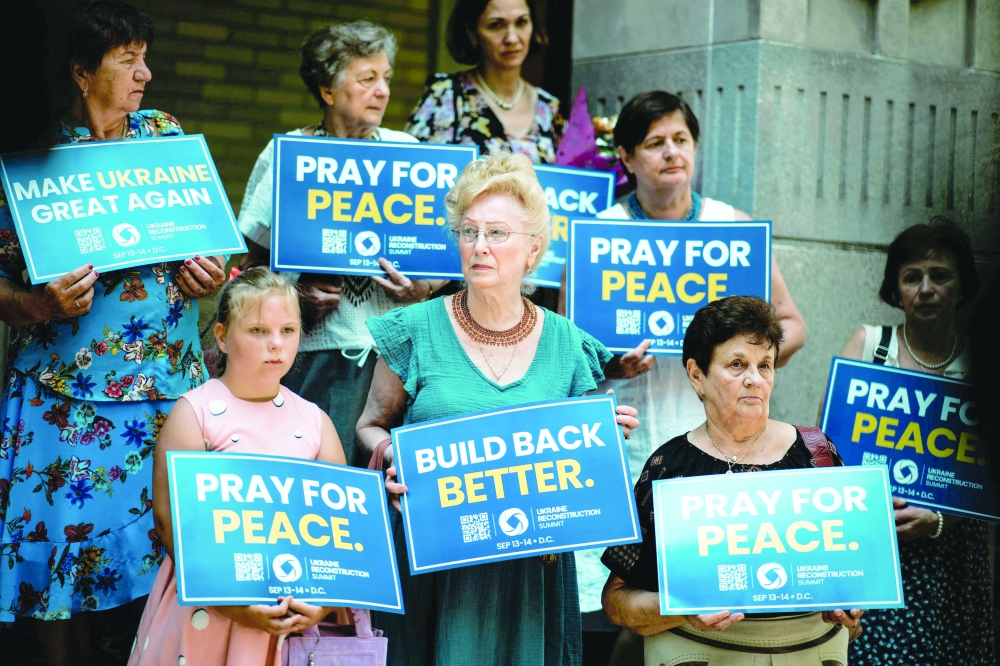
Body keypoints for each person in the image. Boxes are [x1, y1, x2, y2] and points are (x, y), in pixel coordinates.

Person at [0, 3, 225, 664]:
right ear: (79, 72)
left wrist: (210, 271)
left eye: (144, 57)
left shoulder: (164, 135)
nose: (146, 75)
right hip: (66, 395)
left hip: (168, 389)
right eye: (128, 60)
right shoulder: (32, 152)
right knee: (61, 561)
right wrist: (34, 305)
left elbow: (210, 245)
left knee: (172, 552)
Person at [355, 152, 639, 666]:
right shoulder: (413, 329)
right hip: (432, 566)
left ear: (533, 250)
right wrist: (388, 455)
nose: (479, 246)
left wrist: (603, 437)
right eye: (469, 231)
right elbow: (370, 425)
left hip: (529, 573)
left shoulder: (568, 344)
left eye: (497, 233)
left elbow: (580, 473)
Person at [570, 92, 807, 658]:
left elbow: (792, 324)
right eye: (654, 143)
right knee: (619, 607)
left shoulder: (732, 227)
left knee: (710, 596)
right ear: (626, 156)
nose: (671, 153)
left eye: (681, 140)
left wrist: (750, 364)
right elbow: (568, 354)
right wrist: (609, 361)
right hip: (629, 438)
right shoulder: (596, 232)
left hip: (716, 444)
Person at [601, 295, 862, 665]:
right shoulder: (669, 467)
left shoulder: (816, 454)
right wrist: (682, 607)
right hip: (700, 654)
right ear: (697, 374)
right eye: (737, 365)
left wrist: (851, 605)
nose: (755, 379)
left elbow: (854, 576)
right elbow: (617, 600)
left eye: (765, 365)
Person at [237, 21, 447, 467]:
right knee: (321, 480)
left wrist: (421, 290)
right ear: (328, 90)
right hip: (314, 354)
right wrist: (292, 297)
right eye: (367, 78)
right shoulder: (288, 154)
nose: (383, 90)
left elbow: (443, 254)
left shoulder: (407, 150)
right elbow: (249, 261)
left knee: (393, 483)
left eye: (386, 78)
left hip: (398, 357)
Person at [127, 268, 346, 665]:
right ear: (223, 336)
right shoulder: (195, 413)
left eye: (289, 330)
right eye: (259, 331)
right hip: (208, 608)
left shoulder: (315, 422)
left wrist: (325, 603)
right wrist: (231, 604)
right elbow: (169, 522)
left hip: (291, 612)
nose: (276, 344)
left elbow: (342, 528)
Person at [836, 218, 993, 665]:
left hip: (953, 562)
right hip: (876, 546)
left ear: (962, 286)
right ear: (895, 291)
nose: (926, 288)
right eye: (912, 277)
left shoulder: (981, 365)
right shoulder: (869, 345)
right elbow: (827, 451)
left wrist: (941, 518)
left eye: (940, 276)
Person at [406, 0, 562, 165]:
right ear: (472, 33)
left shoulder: (549, 108)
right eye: (496, 25)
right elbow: (413, 169)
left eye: (521, 22)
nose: (512, 38)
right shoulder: (447, 95)